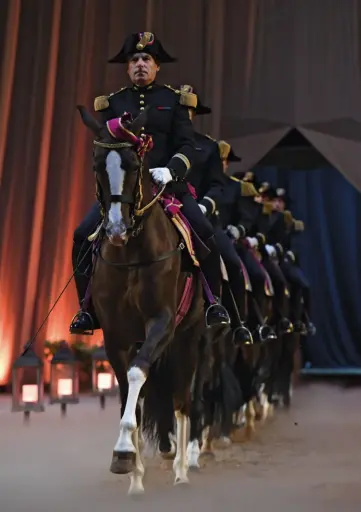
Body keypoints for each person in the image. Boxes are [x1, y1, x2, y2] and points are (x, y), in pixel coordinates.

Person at [70, 32, 229, 335]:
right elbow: (105, 147)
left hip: (168, 187)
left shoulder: (175, 101)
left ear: (157, 67)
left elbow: (187, 146)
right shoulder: (111, 104)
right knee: (81, 236)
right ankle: (87, 310)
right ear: (127, 68)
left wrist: (171, 170)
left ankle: (213, 303)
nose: (140, 64)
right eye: (134, 60)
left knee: (205, 232)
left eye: (147, 59)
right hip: (126, 190)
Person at [177, 87, 252, 343]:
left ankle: (234, 319)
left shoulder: (207, 146)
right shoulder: (156, 142)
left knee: (231, 261)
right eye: (179, 107)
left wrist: (204, 206)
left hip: (199, 213)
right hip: (160, 208)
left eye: (188, 109)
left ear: (194, 113)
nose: (183, 113)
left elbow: (217, 185)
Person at [217, 166, 276, 341]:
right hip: (218, 238)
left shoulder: (254, 205)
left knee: (257, 276)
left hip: (239, 245)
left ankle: (257, 322)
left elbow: (250, 224)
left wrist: (244, 234)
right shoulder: (221, 190)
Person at [272, 188, 316, 335]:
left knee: (304, 284)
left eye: (280, 202)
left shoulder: (289, 220)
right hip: (269, 257)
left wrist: (290, 254)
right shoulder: (266, 216)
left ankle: (304, 319)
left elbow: (297, 242)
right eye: (275, 201)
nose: (277, 204)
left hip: (284, 259)